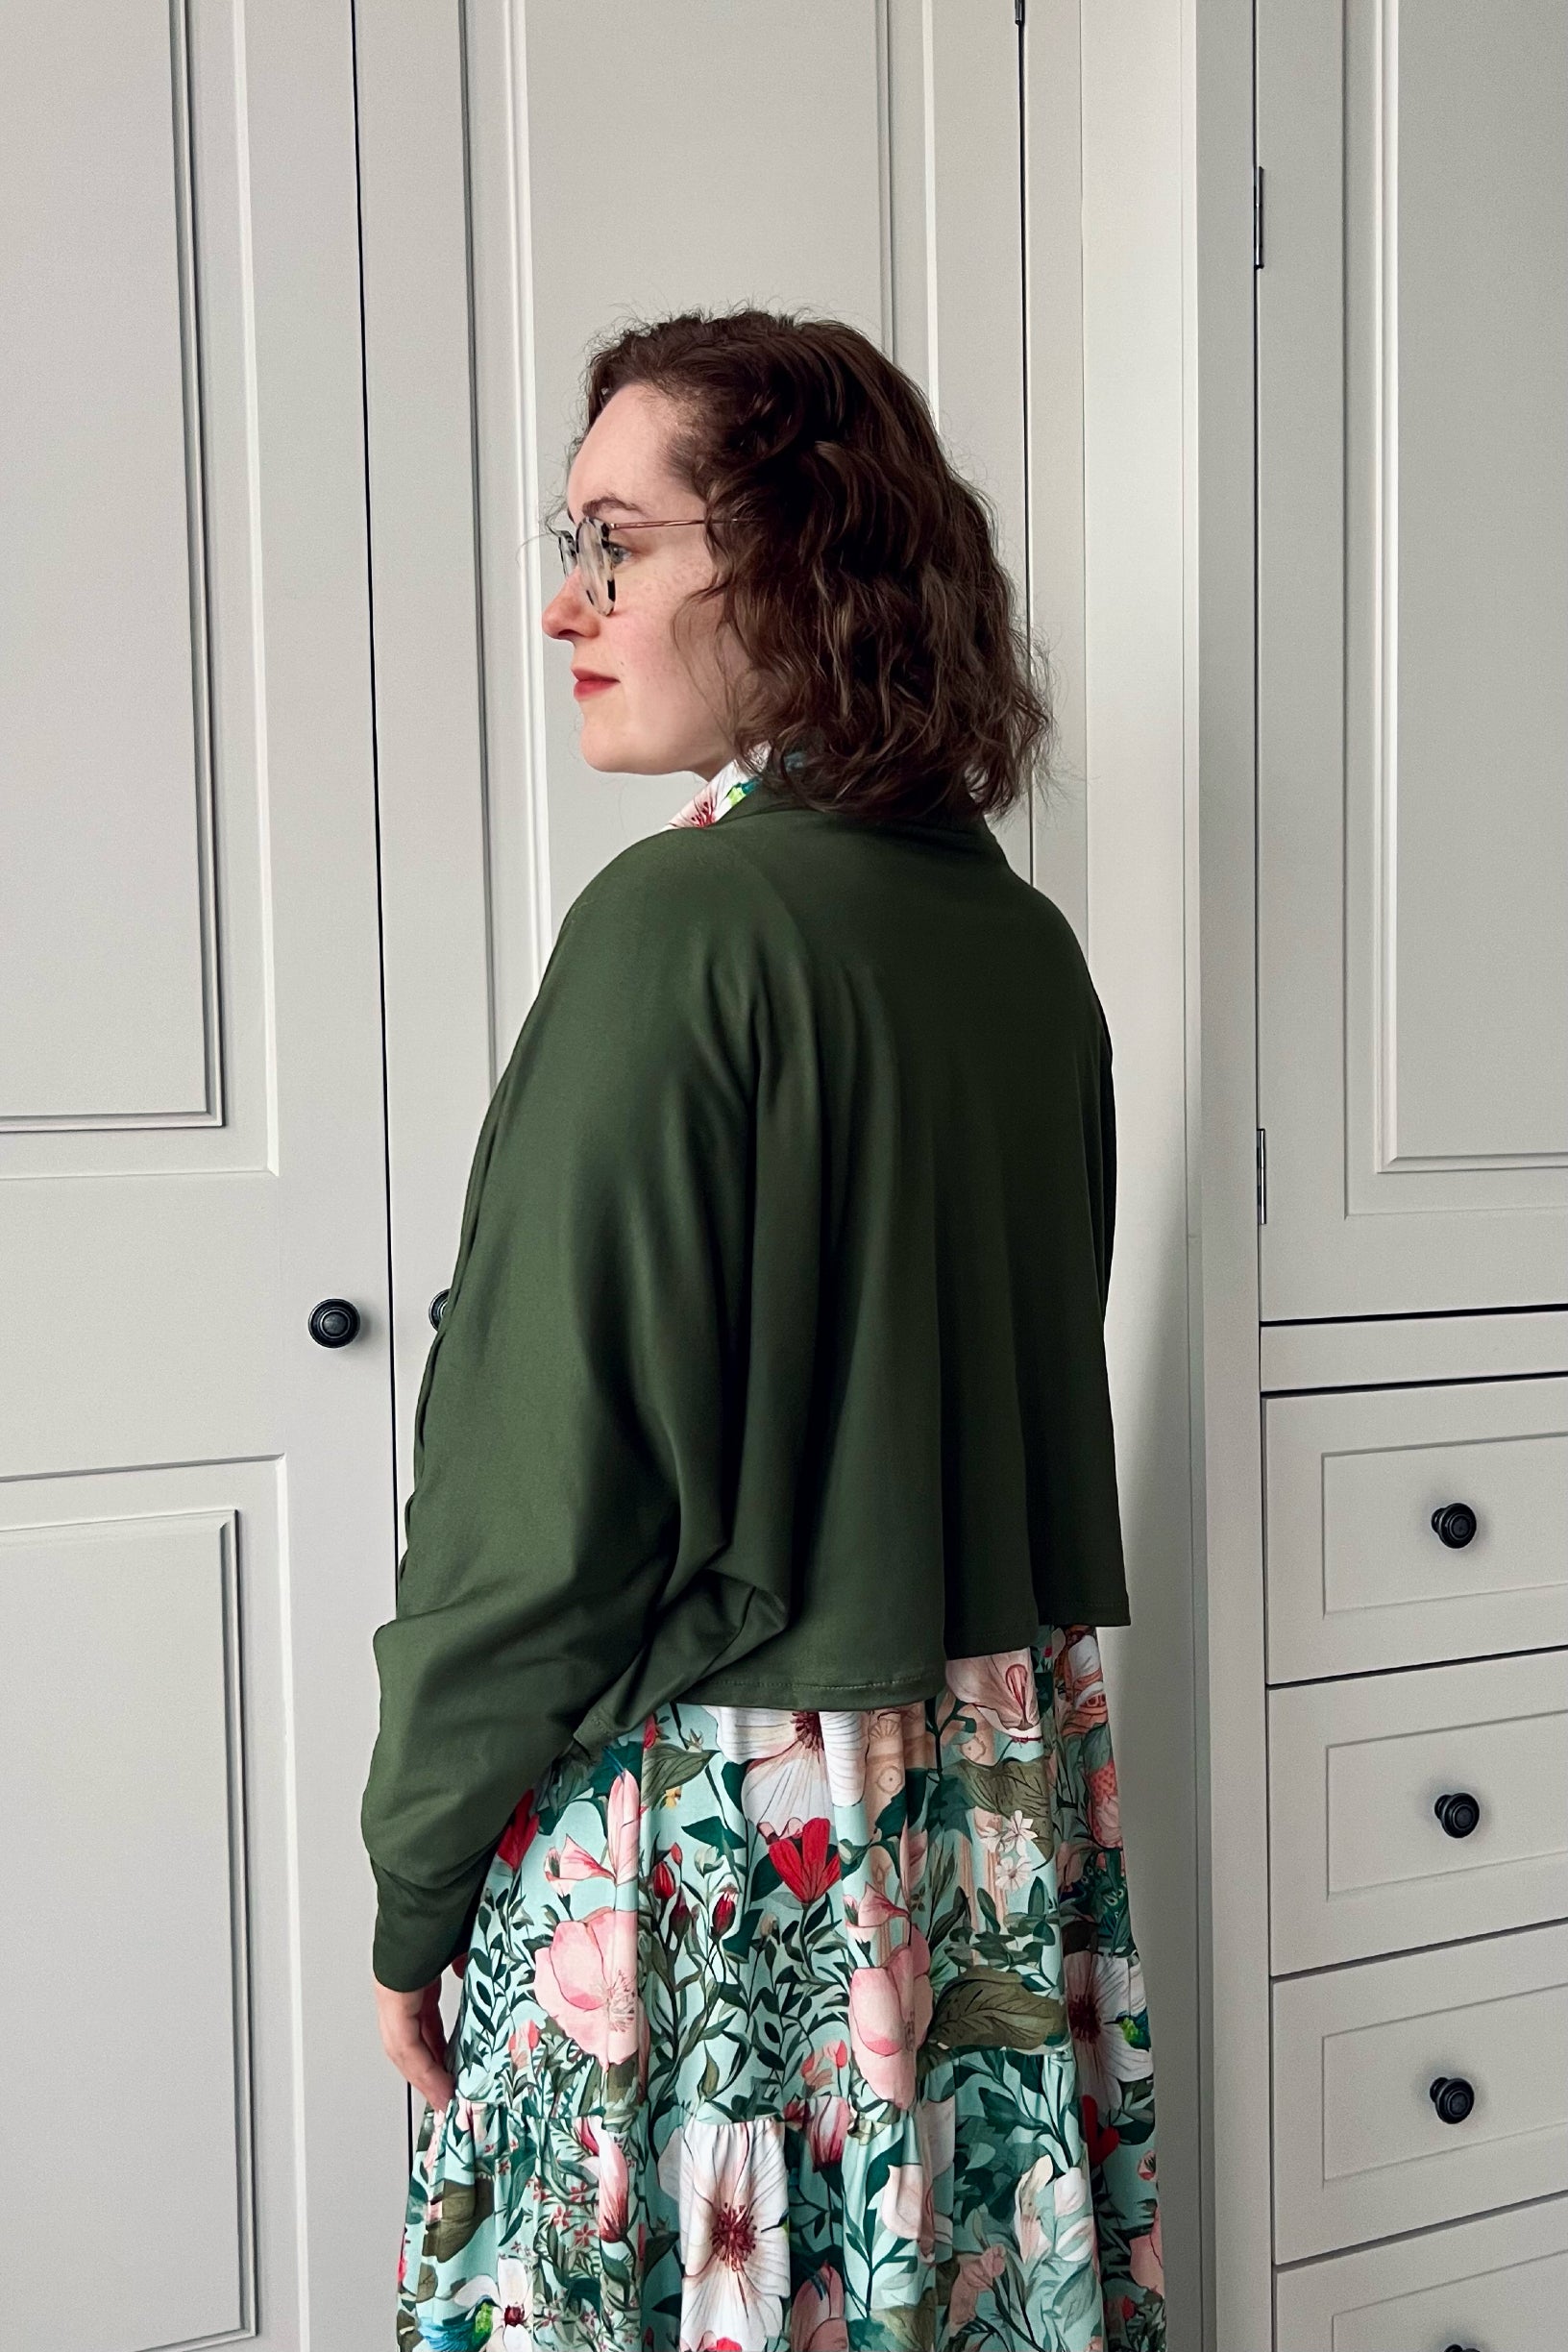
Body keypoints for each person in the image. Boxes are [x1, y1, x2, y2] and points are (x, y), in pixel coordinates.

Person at [361, 307, 1164, 2352]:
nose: (567, 600)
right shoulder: (1018, 945)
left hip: (718, 1859)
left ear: (791, 556)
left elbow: (541, 1511)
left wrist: (415, 1882)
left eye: (618, 541)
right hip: (983, 1828)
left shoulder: (682, 929)